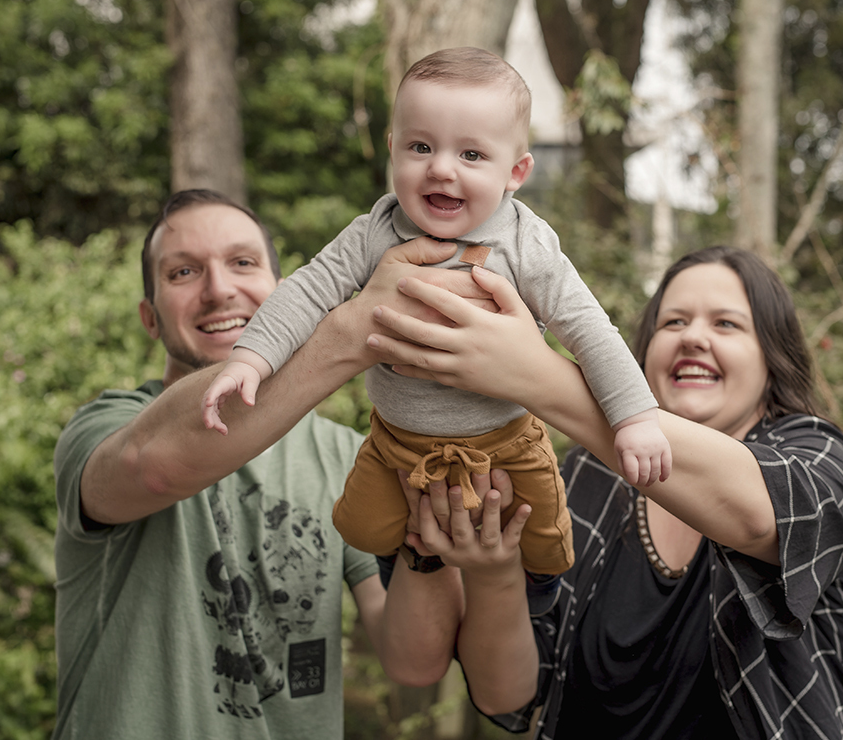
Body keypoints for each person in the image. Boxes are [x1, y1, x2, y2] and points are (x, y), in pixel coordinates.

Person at [365, 246, 843, 740]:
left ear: (772, 359)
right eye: (673, 322)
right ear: (640, 353)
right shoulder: (585, 478)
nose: (693, 337)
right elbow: (504, 697)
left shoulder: (823, 458)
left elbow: (761, 519)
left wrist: (534, 373)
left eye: (726, 324)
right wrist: (493, 572)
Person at [49, 189, 500, 740]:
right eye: (184, 272)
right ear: (149, 316)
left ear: (285, 293)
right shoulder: (103, 431)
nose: (219, 289)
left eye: (243, 262)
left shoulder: (349, 456)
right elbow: (156, 468)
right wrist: (358, 328)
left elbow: (415, 661)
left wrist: (427, 544)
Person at [201, 47, 670, 578]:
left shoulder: (524, 242)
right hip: (398, 442)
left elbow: (588, 327)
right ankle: (428, 556)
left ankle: (526, 600)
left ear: (515, 172)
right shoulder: (375, 230)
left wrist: (635, 418)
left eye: (471, 155)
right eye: (420, 146)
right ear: (393, 149)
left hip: (506, 441)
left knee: (548, 553)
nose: (441, 168)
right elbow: (307, 290)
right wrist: (250, 359)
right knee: (361, 530)